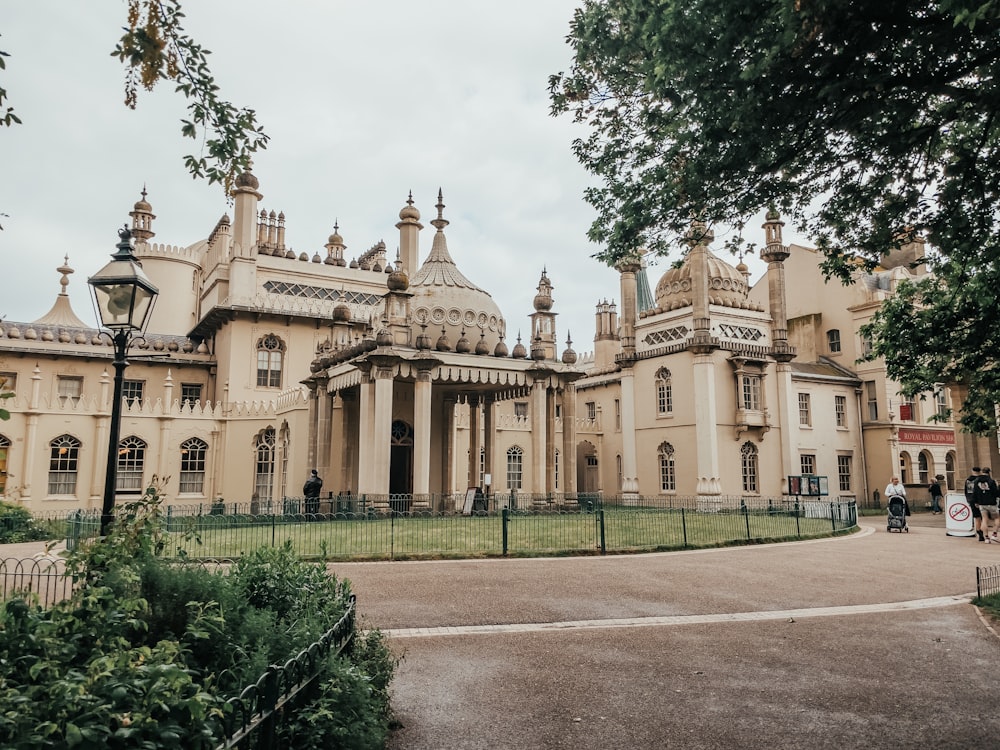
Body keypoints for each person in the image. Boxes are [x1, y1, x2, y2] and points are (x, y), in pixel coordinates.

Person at [974, 467, 999, 543]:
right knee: (997, 518)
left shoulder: (977, 481)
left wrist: (976, 501)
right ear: (989, 472)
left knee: (984, 519)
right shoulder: (991, 481)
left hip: (982, 503)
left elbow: (975, 492)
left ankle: (986, 538)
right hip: (991, 502)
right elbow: (996, 492)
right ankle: (994, 534)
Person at [965, 466, 984, 541]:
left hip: (972, 499)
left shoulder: (968, 480)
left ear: (972, 471)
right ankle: (983, 532)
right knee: (983, 517)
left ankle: (979, 532)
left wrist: (969, 499)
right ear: (980, 471)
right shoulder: (981, 480)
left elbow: (967, 491)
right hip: (982, 500)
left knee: (977, 518)